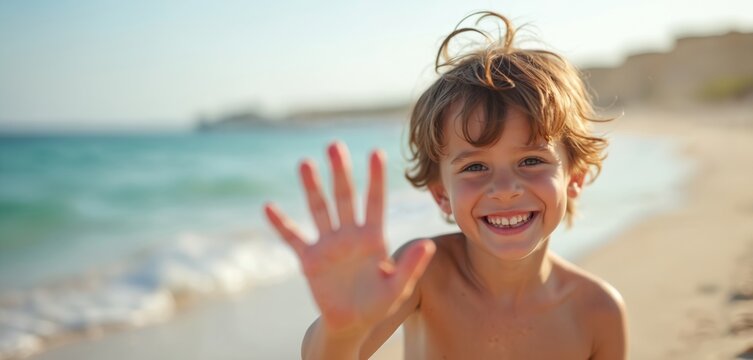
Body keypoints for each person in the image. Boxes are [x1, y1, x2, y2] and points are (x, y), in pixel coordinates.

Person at [264, 11, 627, 359]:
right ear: (442, 195)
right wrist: (343, 329)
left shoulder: (598, 312)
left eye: (531, 161)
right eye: (475, 166)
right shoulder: (422, 277)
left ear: (574, 180)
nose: (504, 188)